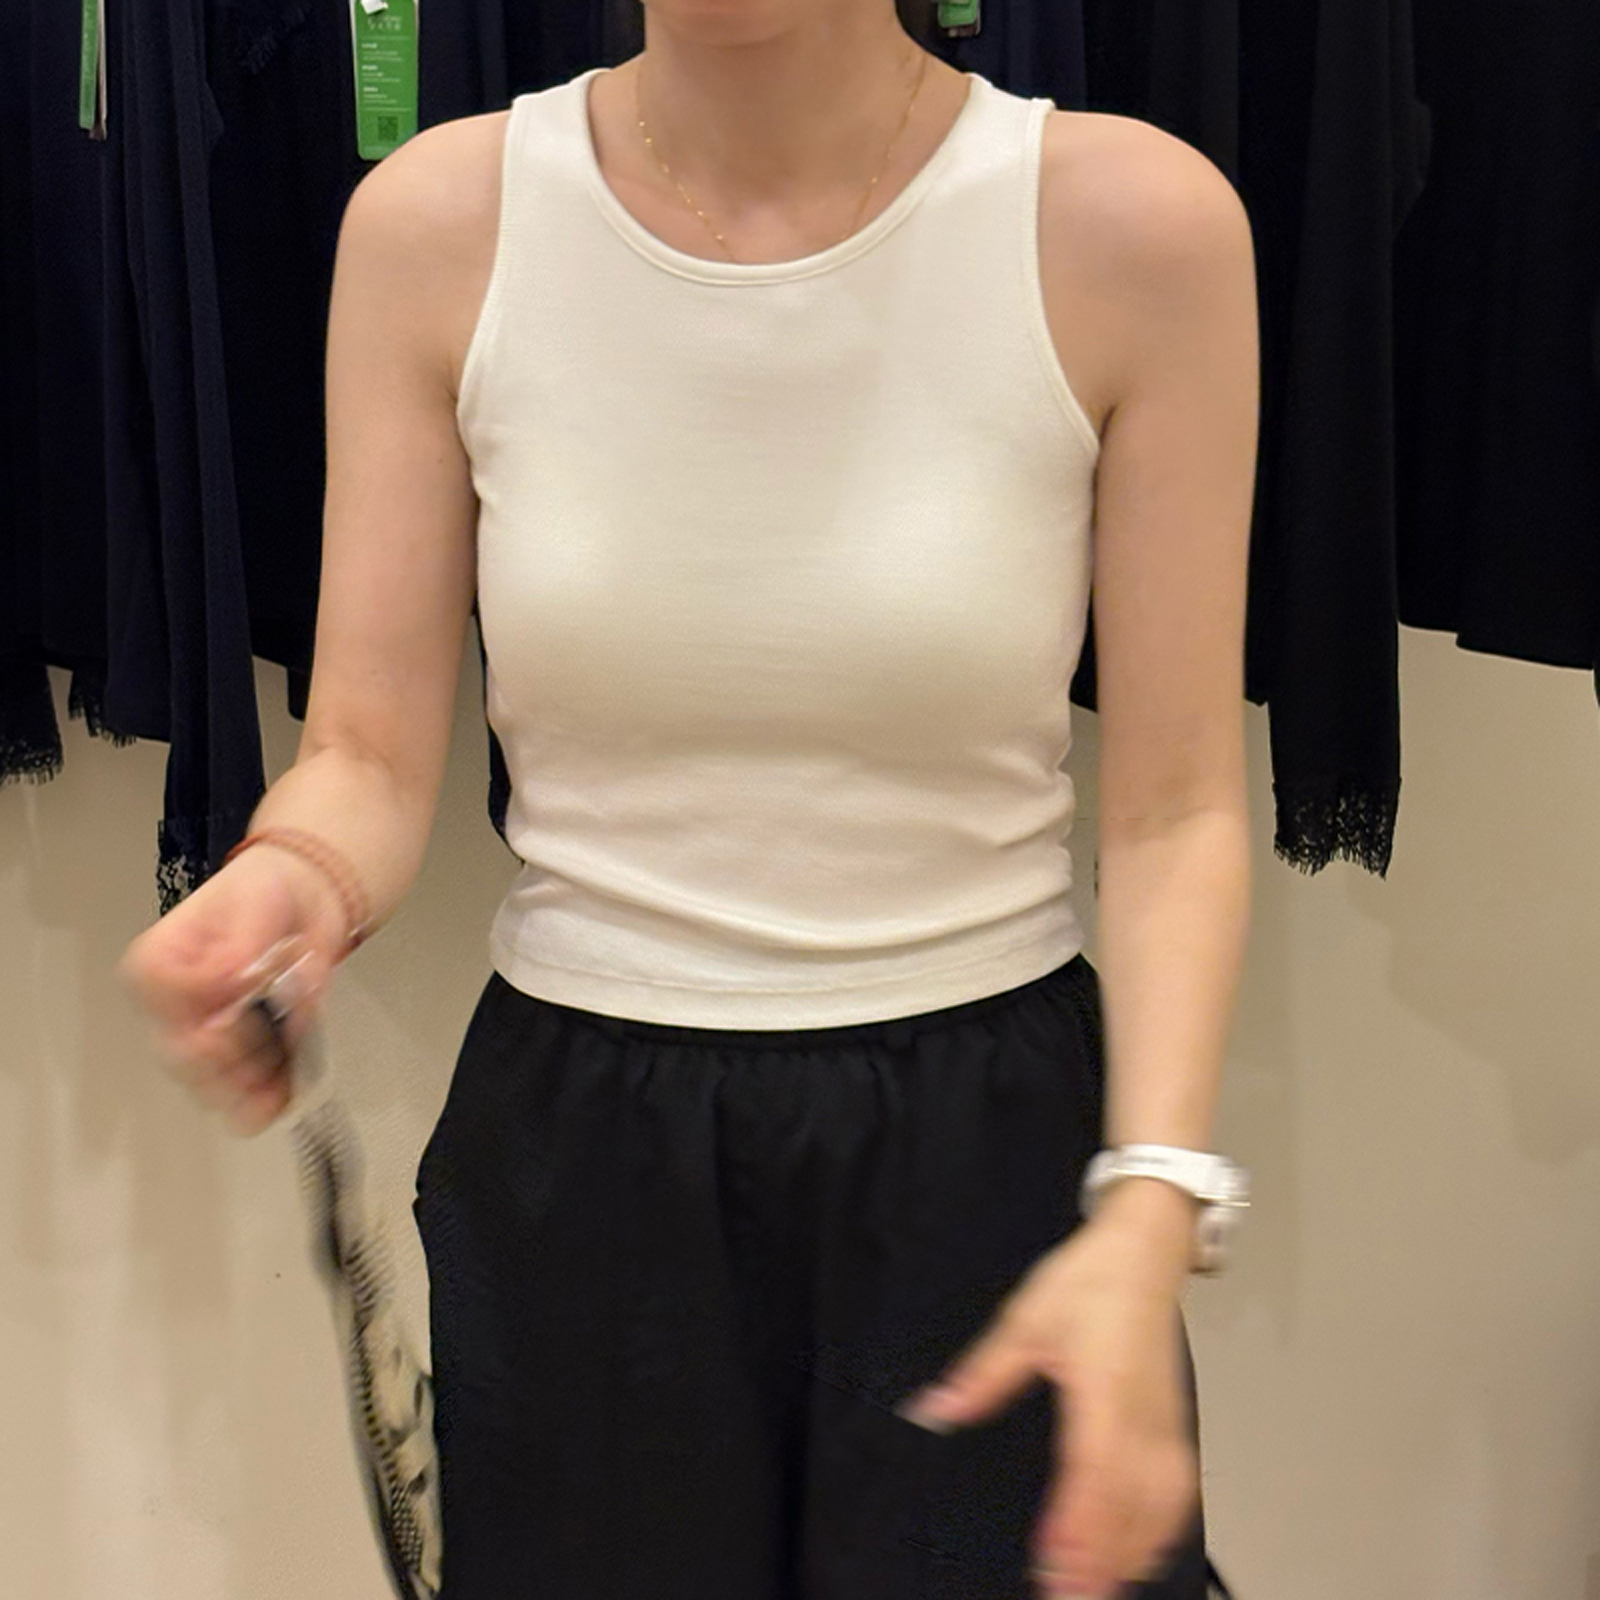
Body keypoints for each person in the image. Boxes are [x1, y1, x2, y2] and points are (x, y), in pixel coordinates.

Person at [117, 0, 1259, 1595]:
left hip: (986, 1155)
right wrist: (289, 878)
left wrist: (1151, 1203)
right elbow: (366, 756)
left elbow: (1178, 808)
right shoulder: (439, 222)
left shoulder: (1130, 223)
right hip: (582, 1167)